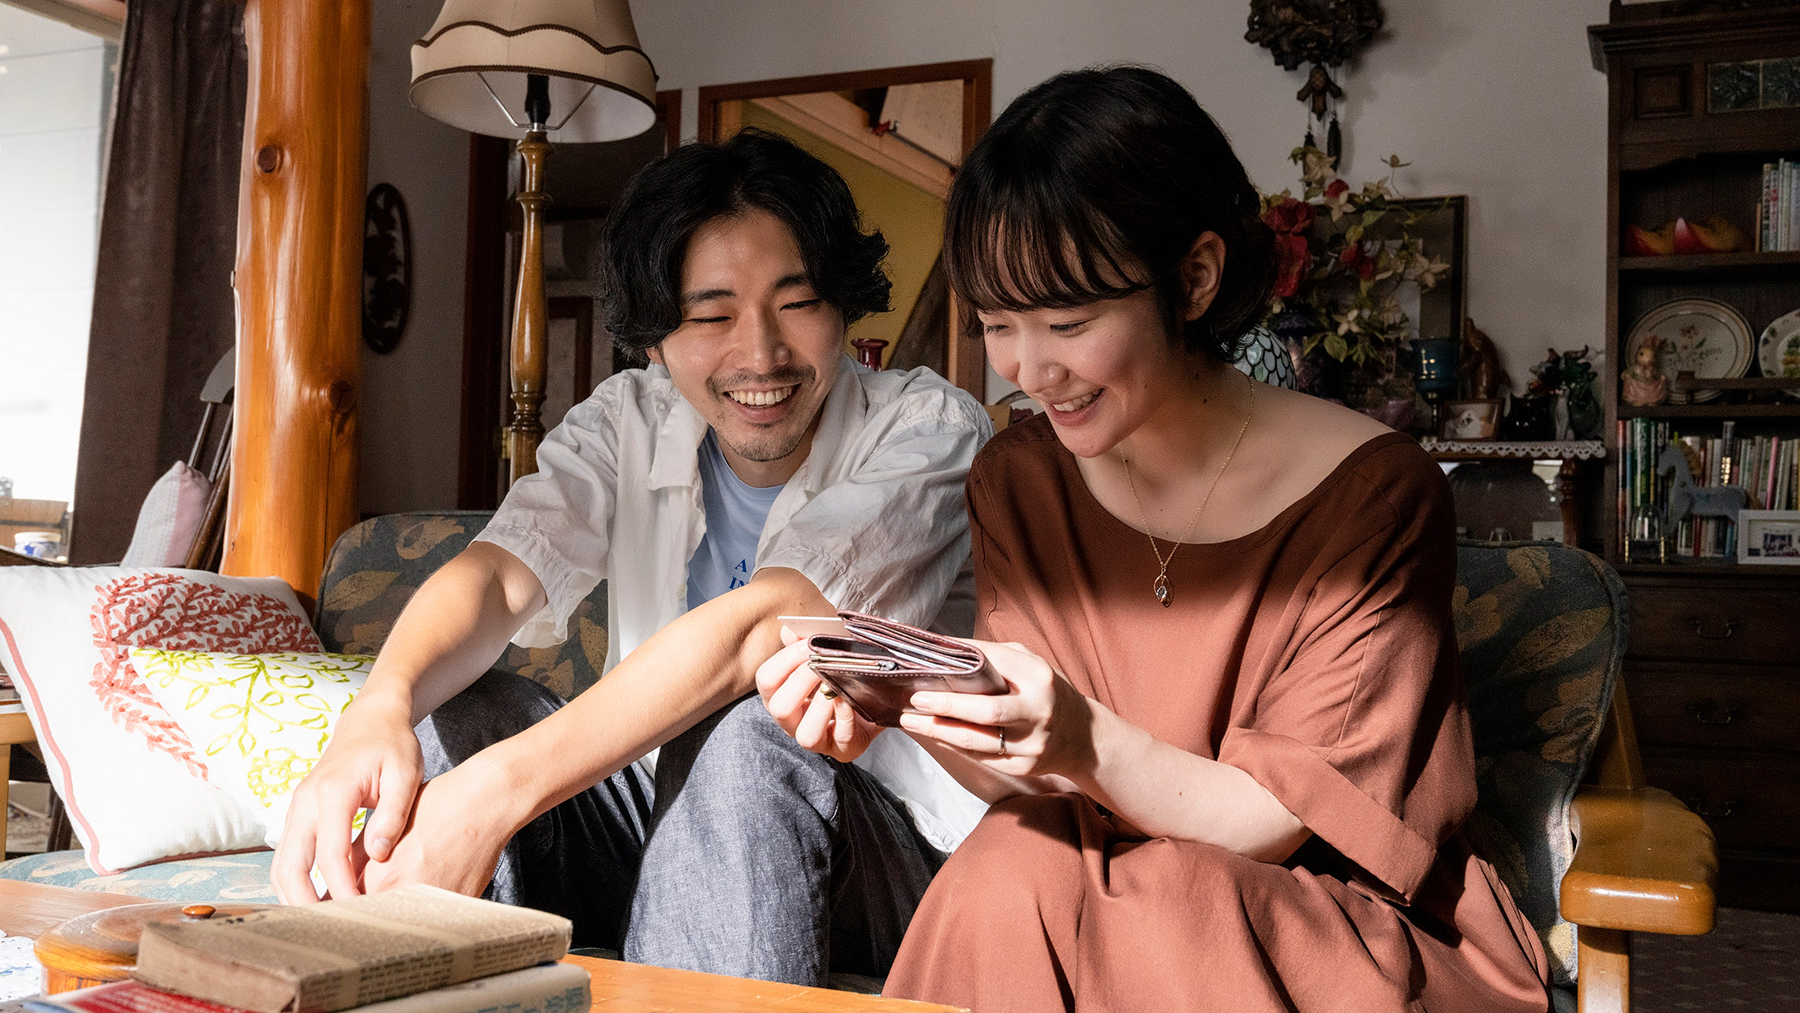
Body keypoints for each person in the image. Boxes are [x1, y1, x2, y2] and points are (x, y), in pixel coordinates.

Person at [757, 68, 1550, 1012]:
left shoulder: (1377, 494)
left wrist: (1083, 739)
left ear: (1195, 277)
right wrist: (899, 710)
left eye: (1069, 321)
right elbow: (1033, 773)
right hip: (1085, 884)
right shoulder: (1021, 477)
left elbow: (1274, 822)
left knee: (1057, 877)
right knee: (1019, 855)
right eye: (997, 325)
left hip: (1314, 910)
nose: (1030, 369)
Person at [274, 129, 990, 986]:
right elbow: (498, 573)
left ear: (843, 303)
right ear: (653, 336)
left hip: (878, 845)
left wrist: (495, 794)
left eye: (796, 303)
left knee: (748, 726)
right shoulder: (630, 419)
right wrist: (373, 714)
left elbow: (768, 625)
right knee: (471, 714)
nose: (759, 355)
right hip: (664, 825)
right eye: (711, 315)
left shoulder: (931, 431)